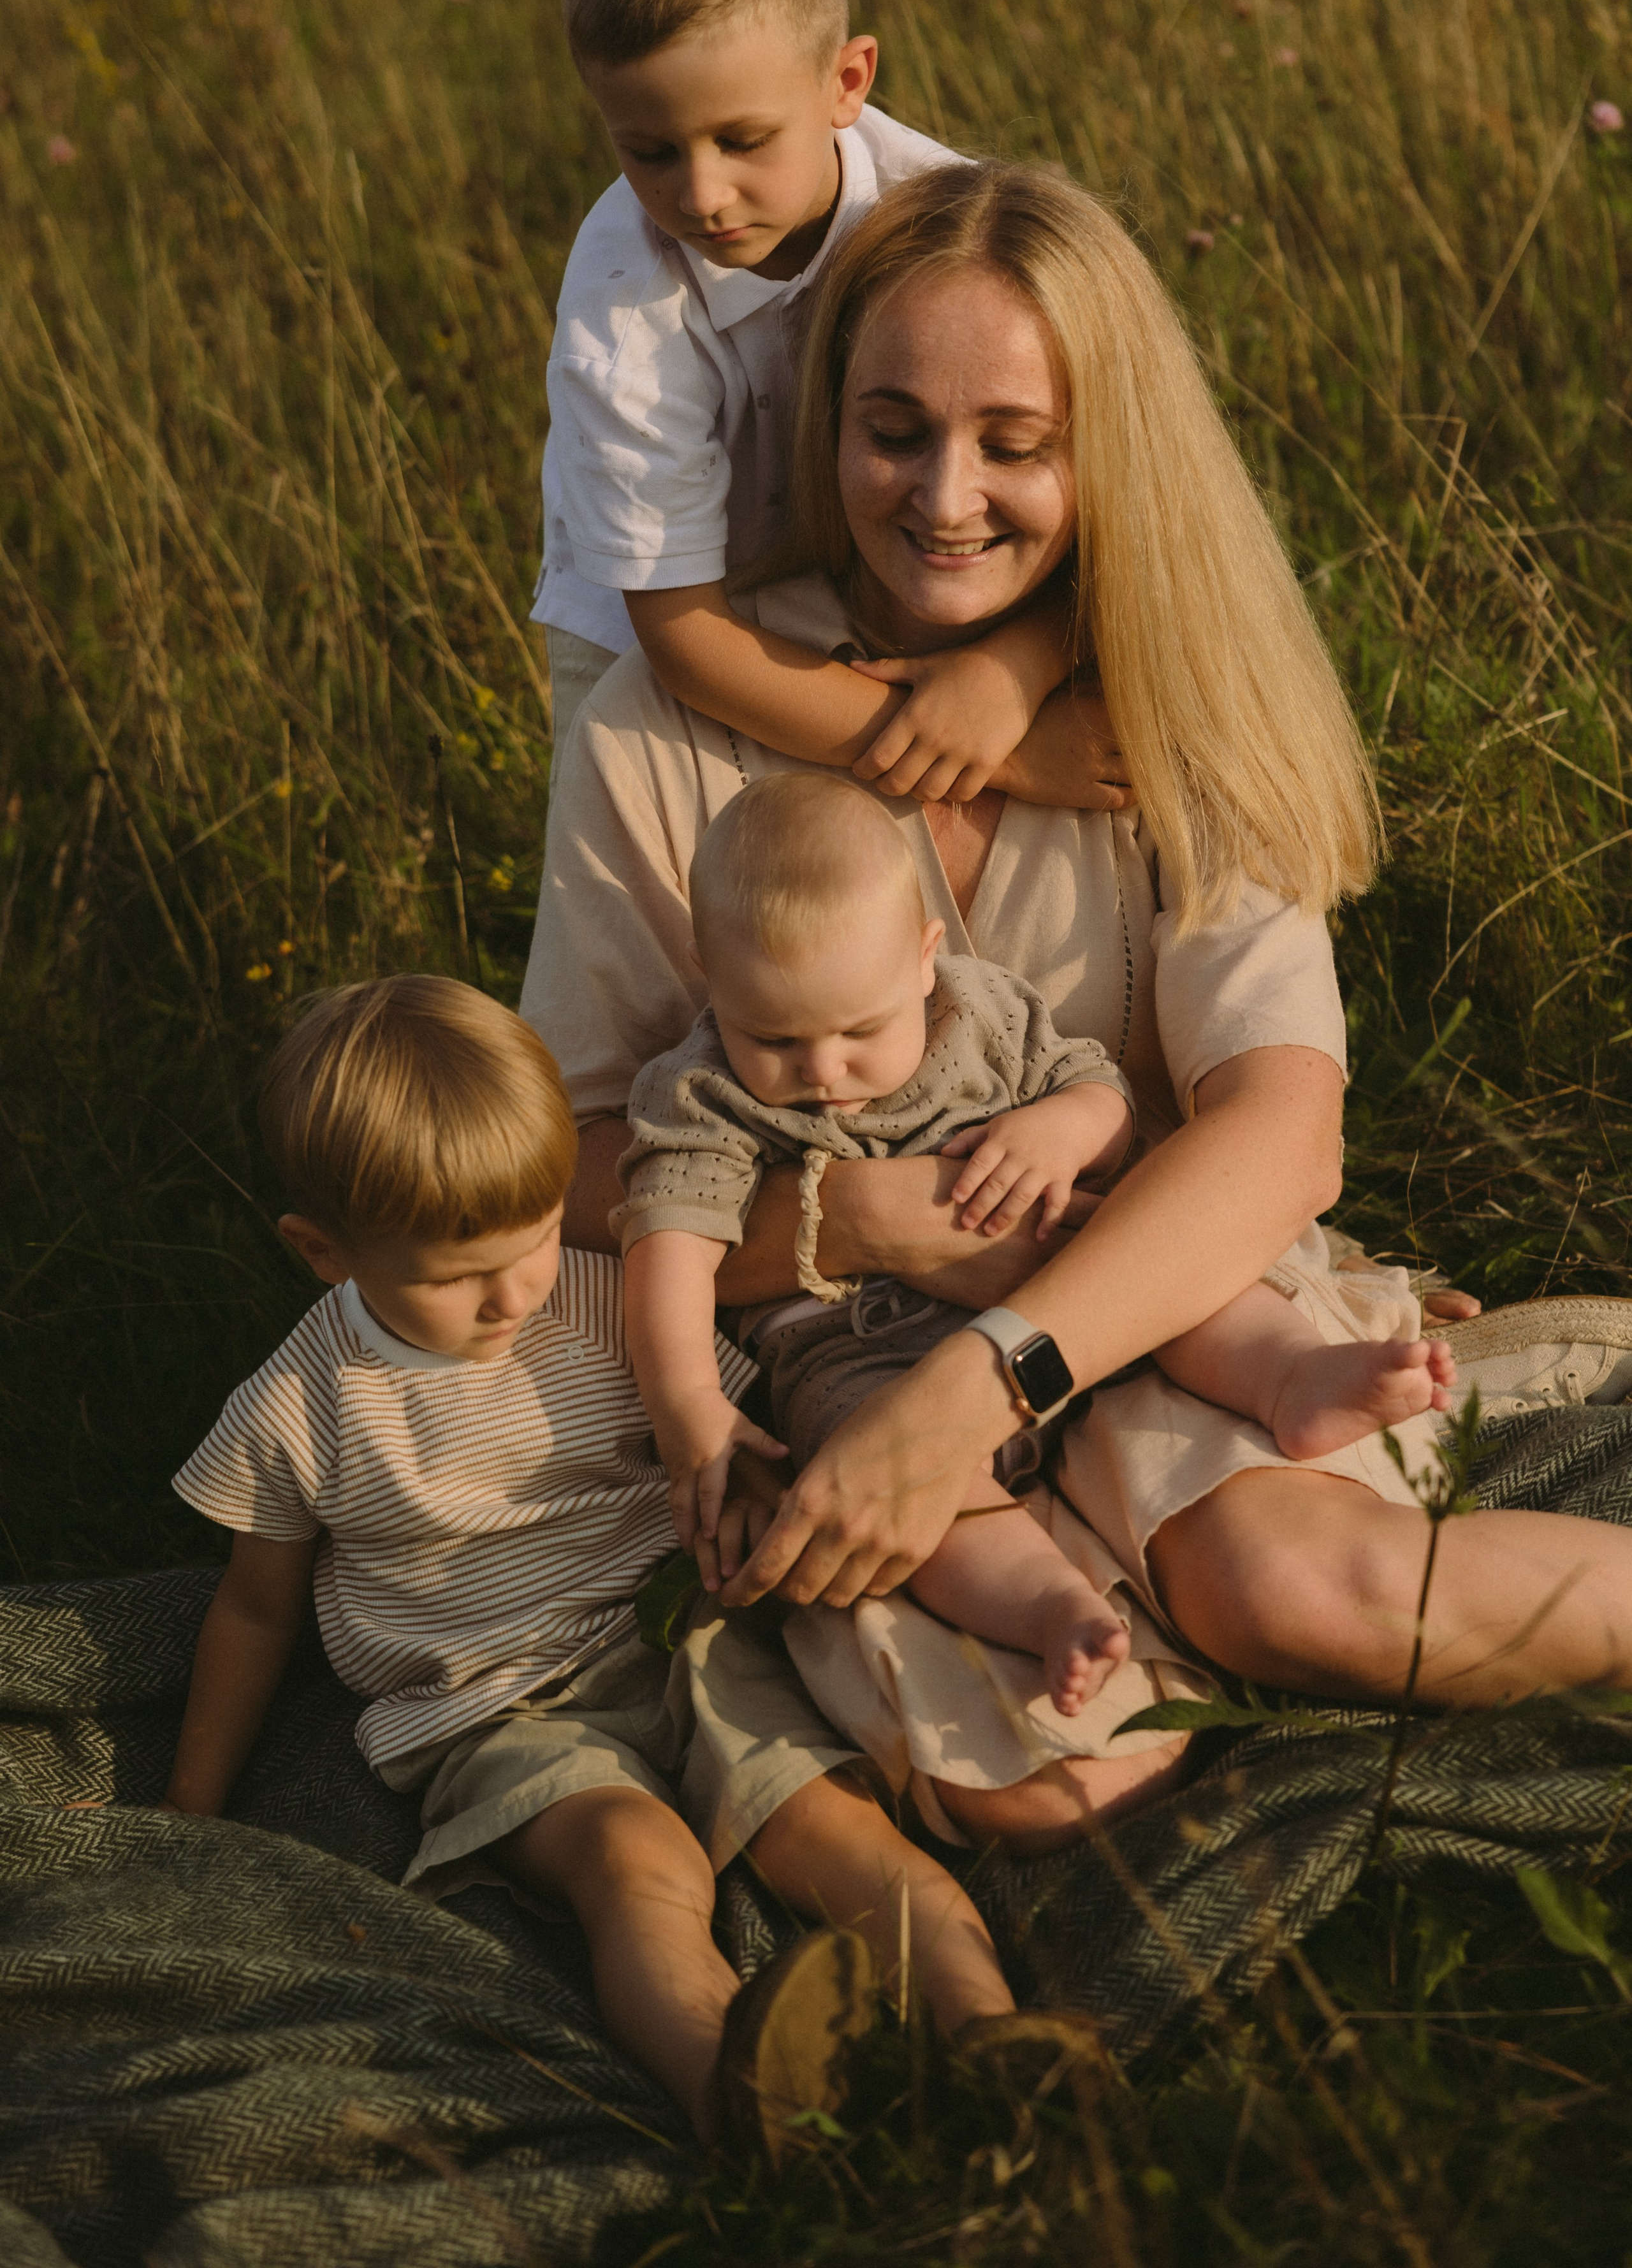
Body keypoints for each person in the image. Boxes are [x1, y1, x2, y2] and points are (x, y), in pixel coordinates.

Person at [525, 157, 1632, 1859]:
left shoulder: (1165, 696)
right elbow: (568, 1158)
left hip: (1161, 1297)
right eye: (894, 430)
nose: (944, 496)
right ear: (826, 425)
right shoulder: (656, 733)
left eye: (1015, 443)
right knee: (1062, 1788)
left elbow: (1280, 1130)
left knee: (1307, 1601)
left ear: (1103, 447)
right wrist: (855, 1220)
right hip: (832, 1358)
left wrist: (988, 1376)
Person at [160, 975, 1020, 2155]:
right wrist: (193, 1810)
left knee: (838, 1829)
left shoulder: (602, 1296)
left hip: (678, 1635)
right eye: (456, 1277)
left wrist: (750, 1507)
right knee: (635, 1865)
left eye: (532, 1242)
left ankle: (1008, 2052)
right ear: (324, 1252)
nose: (513, 1293)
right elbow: (255, 1613)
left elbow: (734, 1438)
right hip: (494, 1707)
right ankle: (741, 2103)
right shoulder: (299, 1409)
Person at [618, 771, 1457, 1720]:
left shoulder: (982, 1015)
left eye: (861, 1029)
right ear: (710, 975)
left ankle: (1292, 1378)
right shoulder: (701, 1093)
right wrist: (687, 1403)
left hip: (1061, 1289)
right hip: (858, 1354)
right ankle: (1050, 1607)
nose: (822, 1070)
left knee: (1177, 1278)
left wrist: (1063, 1128)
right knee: (896, 1491)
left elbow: (1102, 1094)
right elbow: (668, 1245)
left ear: (925, 958)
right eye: (772, 1038)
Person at [536, 0, 1129, 822]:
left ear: (847, 80)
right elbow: (687, 646)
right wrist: (1006, 757)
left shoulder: (945, 215)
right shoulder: (624, 317)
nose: (701, 194)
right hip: (655, 631)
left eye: (742, 140)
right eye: (648, 152)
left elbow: (1114, 504)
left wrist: (1009, 675)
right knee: (649, 852)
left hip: (865, 573)